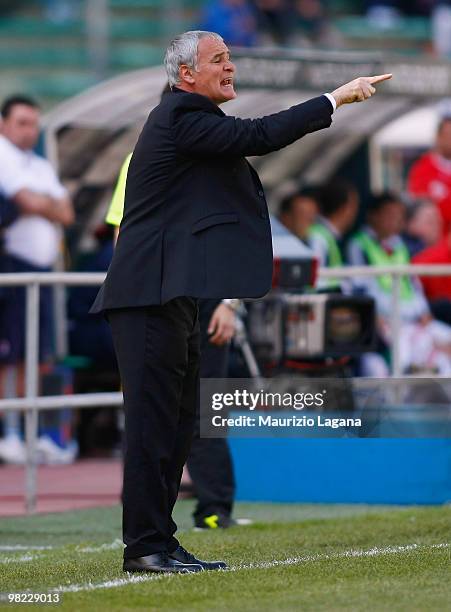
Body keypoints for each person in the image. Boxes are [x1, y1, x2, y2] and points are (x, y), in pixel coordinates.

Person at [90, 29, 391, 574]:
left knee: (180, 426)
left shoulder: (195, 123)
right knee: (155, 427)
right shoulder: (181, 117)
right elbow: (263, 133)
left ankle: (160, 540)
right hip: (147, 296)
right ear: (186, 75)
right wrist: (335, 99)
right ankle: (144, 547)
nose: (231, 68)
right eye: (219, 60)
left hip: (174, 295)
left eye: (230, 58)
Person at [106, 152, 241, 530]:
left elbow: (232, 234)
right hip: (158, 292)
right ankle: (141, 513)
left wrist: (230, 303)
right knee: (150, 405)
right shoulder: (138, 158)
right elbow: (124, 230)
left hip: (207, 292)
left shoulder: (218, 155)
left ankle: (214, 507)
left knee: (204, 404)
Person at [0, 95, 74, 465]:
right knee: (11, 357)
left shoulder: (39, 164)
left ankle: (34, 432)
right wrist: (47, 204)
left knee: (40, 355)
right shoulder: (3, 156)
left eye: (34, 124)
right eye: (22, 123)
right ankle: (9, 431)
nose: (29, 132)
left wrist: (42, 203)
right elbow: (30, 203)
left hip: (41, 272)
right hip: (13, 269)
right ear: (4, 124)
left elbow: (67, 212)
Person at [347, 192, 451, 376]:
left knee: (445, 340)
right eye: (389, 214)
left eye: (398, 215)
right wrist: (376, 316)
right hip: (386, 320)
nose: (395, 220)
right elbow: (359, 288)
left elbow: (413, 284)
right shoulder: (359, 245)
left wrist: (424, 310)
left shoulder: (400, 246)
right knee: (403, 358)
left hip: (414, 317)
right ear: (373, 215)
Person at [407, 113, 451, 231]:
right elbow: (418, 205)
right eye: (448, 135)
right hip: (433, 242)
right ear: (438, 137)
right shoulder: (422, 168)